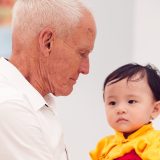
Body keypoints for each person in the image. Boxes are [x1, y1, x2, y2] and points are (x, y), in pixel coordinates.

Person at [0, 0, 96, 159]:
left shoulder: (34, 99)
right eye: (82, 53)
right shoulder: (9, 105)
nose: (86, 69)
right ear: (47, 42)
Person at [90, 63, 160, 160]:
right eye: (112, 103)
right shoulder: (103, 146)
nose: (120, 109)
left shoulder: (155, 142)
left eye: (131, 101)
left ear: (155, 109)